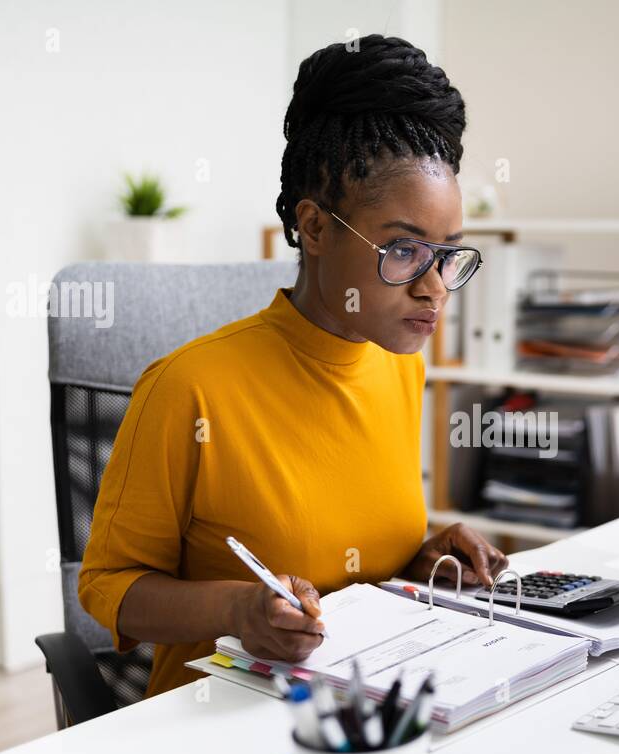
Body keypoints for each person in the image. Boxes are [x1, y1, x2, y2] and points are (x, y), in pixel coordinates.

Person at [79, 35, 507, 698]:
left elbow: (354, 556)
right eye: (402, 251)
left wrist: (424, 558)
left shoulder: (399, 365)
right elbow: (107, 588)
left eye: (448, 254)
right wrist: (237, 610)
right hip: (215, 722)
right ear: (314, 226)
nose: (435, 288)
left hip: (364, 705)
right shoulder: (189, 388)